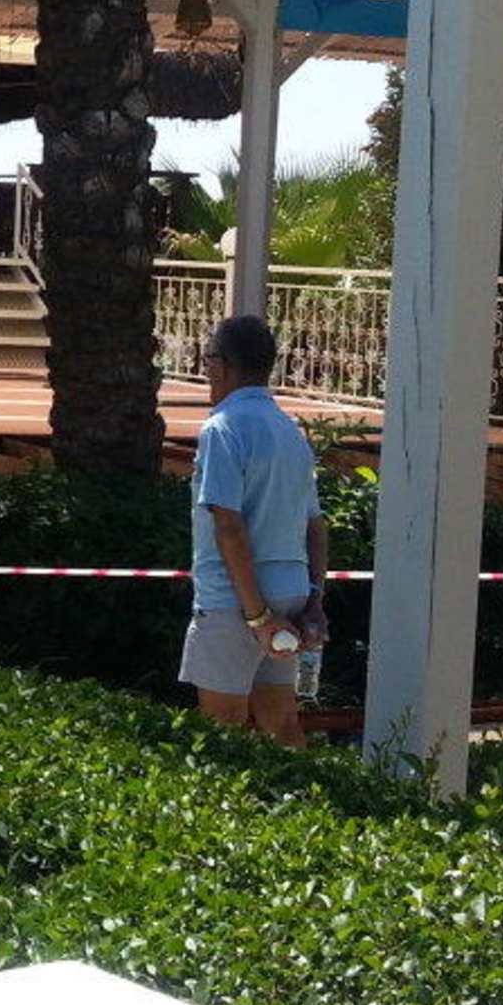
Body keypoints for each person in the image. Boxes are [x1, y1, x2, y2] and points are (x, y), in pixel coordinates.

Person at [178, 314, 328, 749]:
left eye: (208, 358)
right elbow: (315, 526)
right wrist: (314, 601)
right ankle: (305, 795)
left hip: (233, 599)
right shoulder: (290, 430)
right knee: (282, 724)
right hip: (291, 592)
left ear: (221, 365)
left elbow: (228, 526)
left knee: (220, 732)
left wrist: (258, 616)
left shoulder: (222, 428)